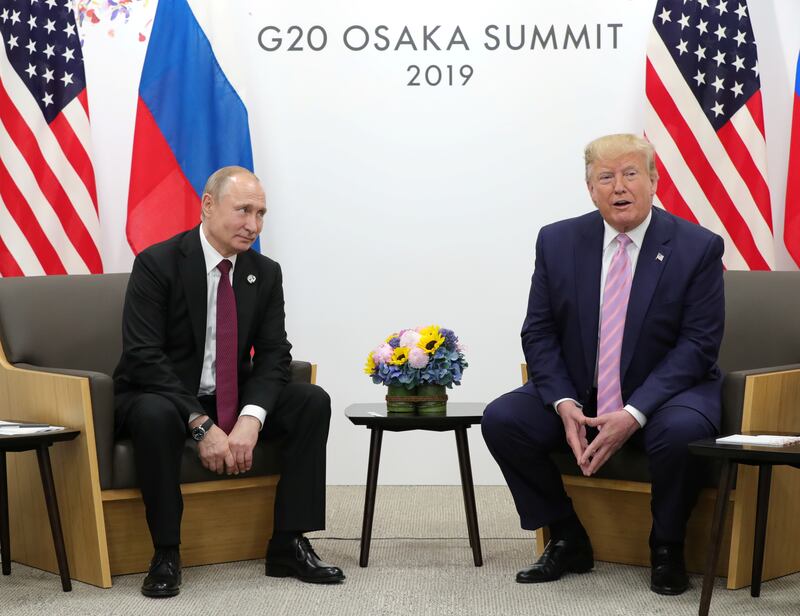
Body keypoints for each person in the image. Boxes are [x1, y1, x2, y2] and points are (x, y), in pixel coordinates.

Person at [481, 134, 724, 595]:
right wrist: (562, 401)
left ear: (653, 181)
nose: (619, 187)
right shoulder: (557, 241)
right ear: (590, 189)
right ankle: (566, 535)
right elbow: (539, 331)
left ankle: (667, 545)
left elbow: (698, 345)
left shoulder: (697, 247)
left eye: (631, 173)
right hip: (583, 390)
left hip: (669, 392)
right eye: (605, 177)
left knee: (680, 433)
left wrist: (635, 413)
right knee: (503, 419)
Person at [114, 166, 344, 597]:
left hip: (230, 397)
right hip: (159, 394)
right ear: (207, 205)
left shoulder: (264, 271)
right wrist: (200, 424)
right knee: (154, 413)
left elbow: (275, 354)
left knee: (310, 399)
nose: (253, 225)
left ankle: (288, 542)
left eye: (260, 214)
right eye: (243, 210)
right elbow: (143, 357)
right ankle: (165, 551)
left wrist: (250, 419)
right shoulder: (157, 263)